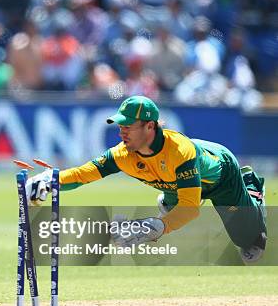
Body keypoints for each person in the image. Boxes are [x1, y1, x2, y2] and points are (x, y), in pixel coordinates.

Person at [26, 95, 267, 263]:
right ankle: (168, 200)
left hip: (220, 177)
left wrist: (158, 227)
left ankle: (252, 188)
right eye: (120, 125)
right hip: (177, 185)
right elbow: (83, 174)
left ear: (150, 127)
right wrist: (51, 179)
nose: (121, 132)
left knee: (251, 242)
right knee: (170, 206)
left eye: (128, 126)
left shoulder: (179, 152)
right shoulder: (122, 154)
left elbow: (191, 208)